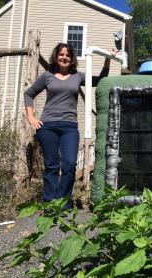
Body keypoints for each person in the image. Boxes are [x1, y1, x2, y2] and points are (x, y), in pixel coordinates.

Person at [24, 43, 116, 210]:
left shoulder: (78, 76)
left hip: (70, 127)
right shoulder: (47, 76)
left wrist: (107, 61)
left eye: (67, 55)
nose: (64, 57)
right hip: (48, 126)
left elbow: (99, 81)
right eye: (61, 54)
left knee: (69, 165)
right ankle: (51, 206)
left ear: (71, 58)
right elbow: (29, 94)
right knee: (51, 167)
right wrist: (31, 117)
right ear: (56, 57)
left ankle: (64, 204)